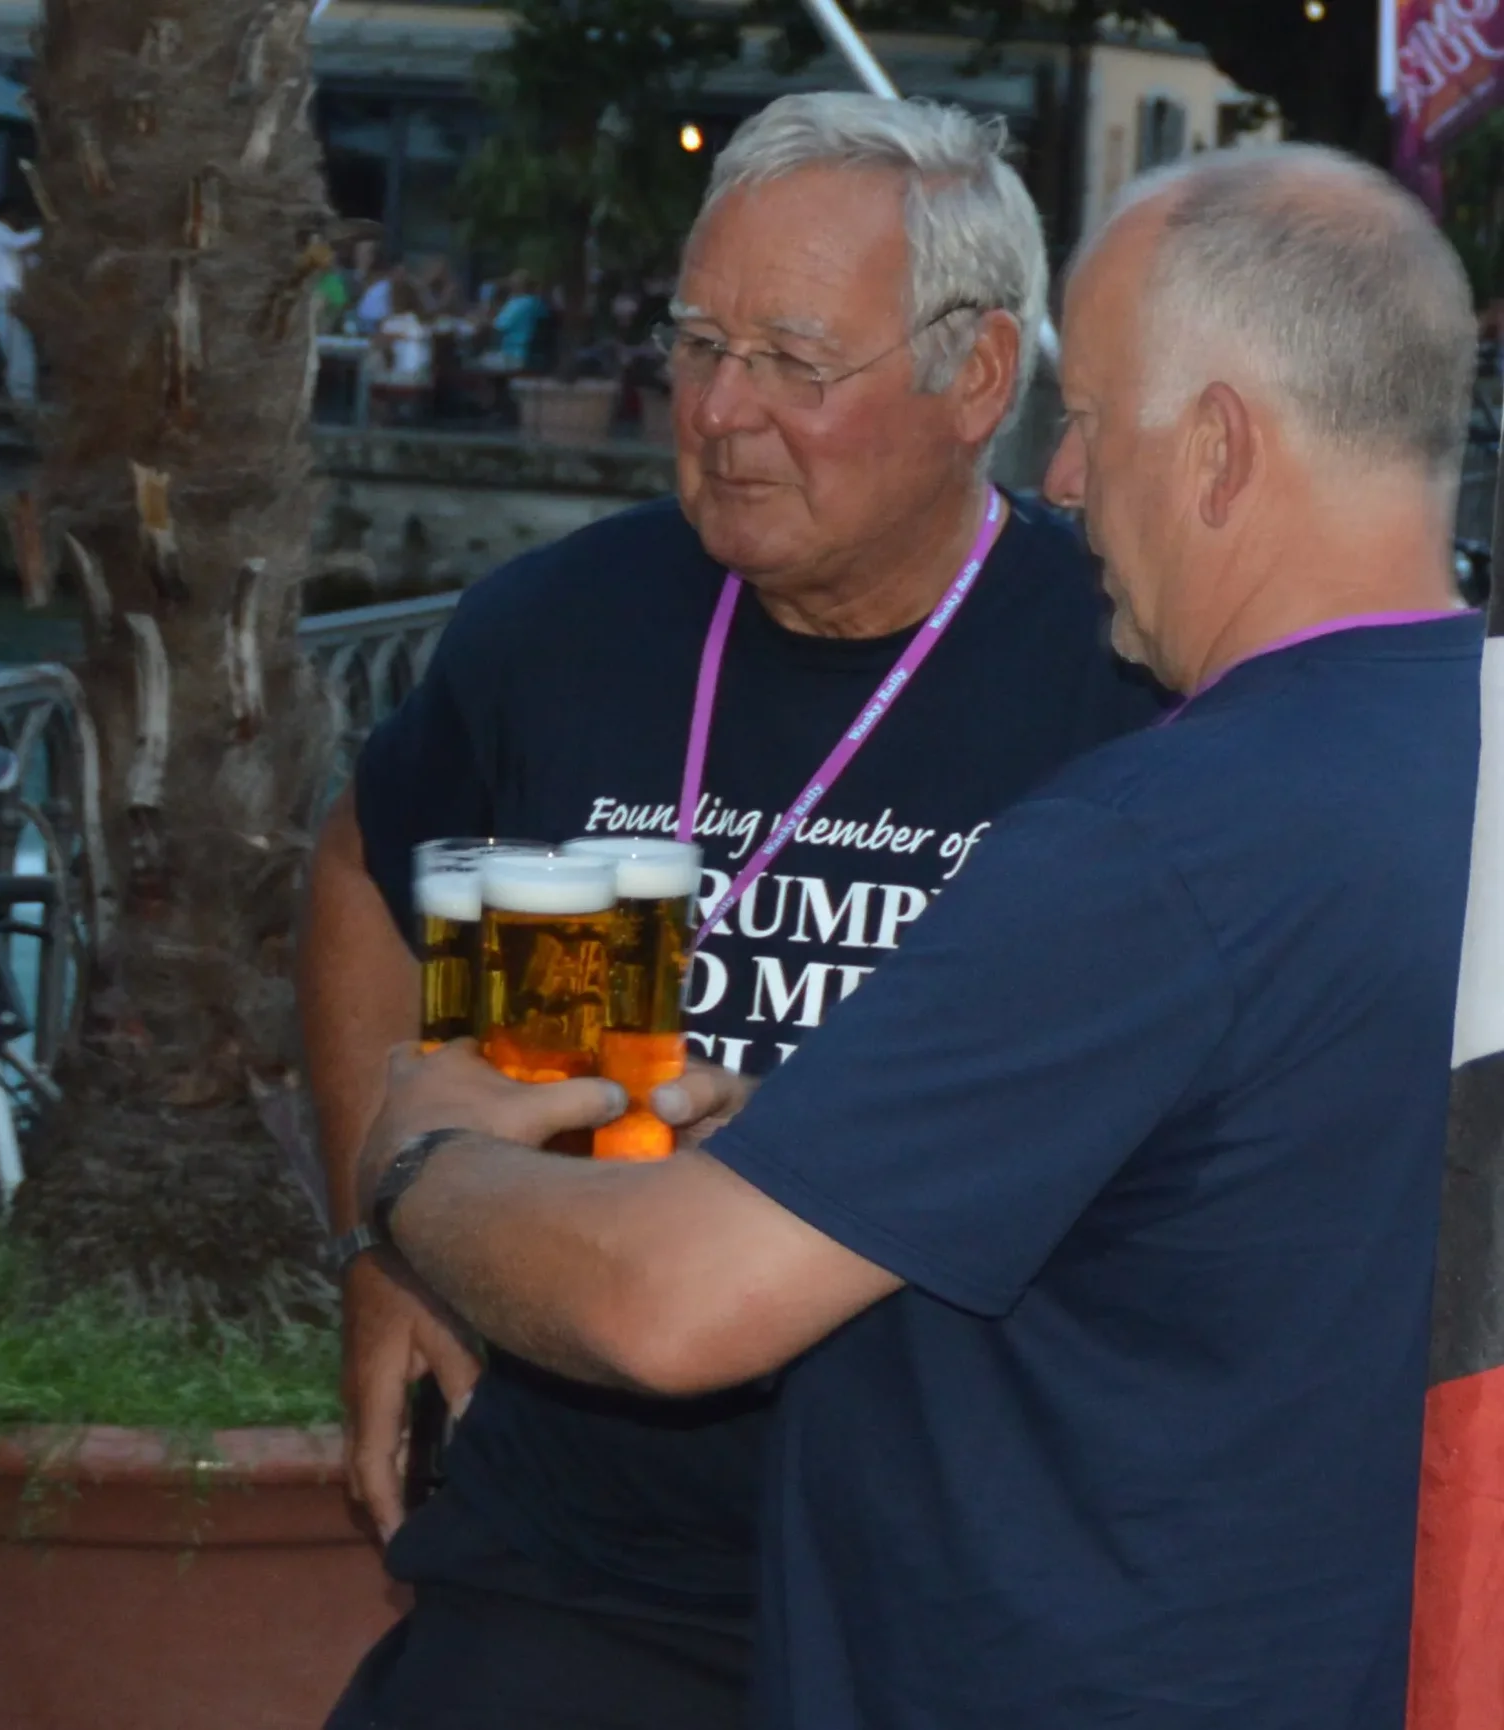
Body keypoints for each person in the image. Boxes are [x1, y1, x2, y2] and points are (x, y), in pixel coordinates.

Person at [348, 140, 1480, 1729]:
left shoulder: (1145, 842)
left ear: (1219, 448)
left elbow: (671, 1305)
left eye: (1092, 422)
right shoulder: (1471, 753)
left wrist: (415, 1167)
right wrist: (818, 1137)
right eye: (700, 346)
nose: (1063, 477)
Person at [301, 94, 1165, 1730]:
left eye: (792, 360)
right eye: (699, 344)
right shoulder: (565, 628)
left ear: (978, 377)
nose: (718, 410)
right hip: (578, 1552)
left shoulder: (1123, 673)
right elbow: (362, 867)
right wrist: (392, 1238)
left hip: (973, 1573)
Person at [0, 200, 42, 402]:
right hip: (4, 297)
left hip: (11, 297)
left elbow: (30, 258)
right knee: (16, 347)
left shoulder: (4, 237)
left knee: (19, 347)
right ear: (8, 214)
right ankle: (20, 395)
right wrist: (45, 230)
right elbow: (20, 242)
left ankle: (20, 393)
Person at [487, 271, 545, 370]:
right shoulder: (539, 304)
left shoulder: (516, 304)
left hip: (512, 356)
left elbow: (498, 326)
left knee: (472, 363)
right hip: (534, 356)